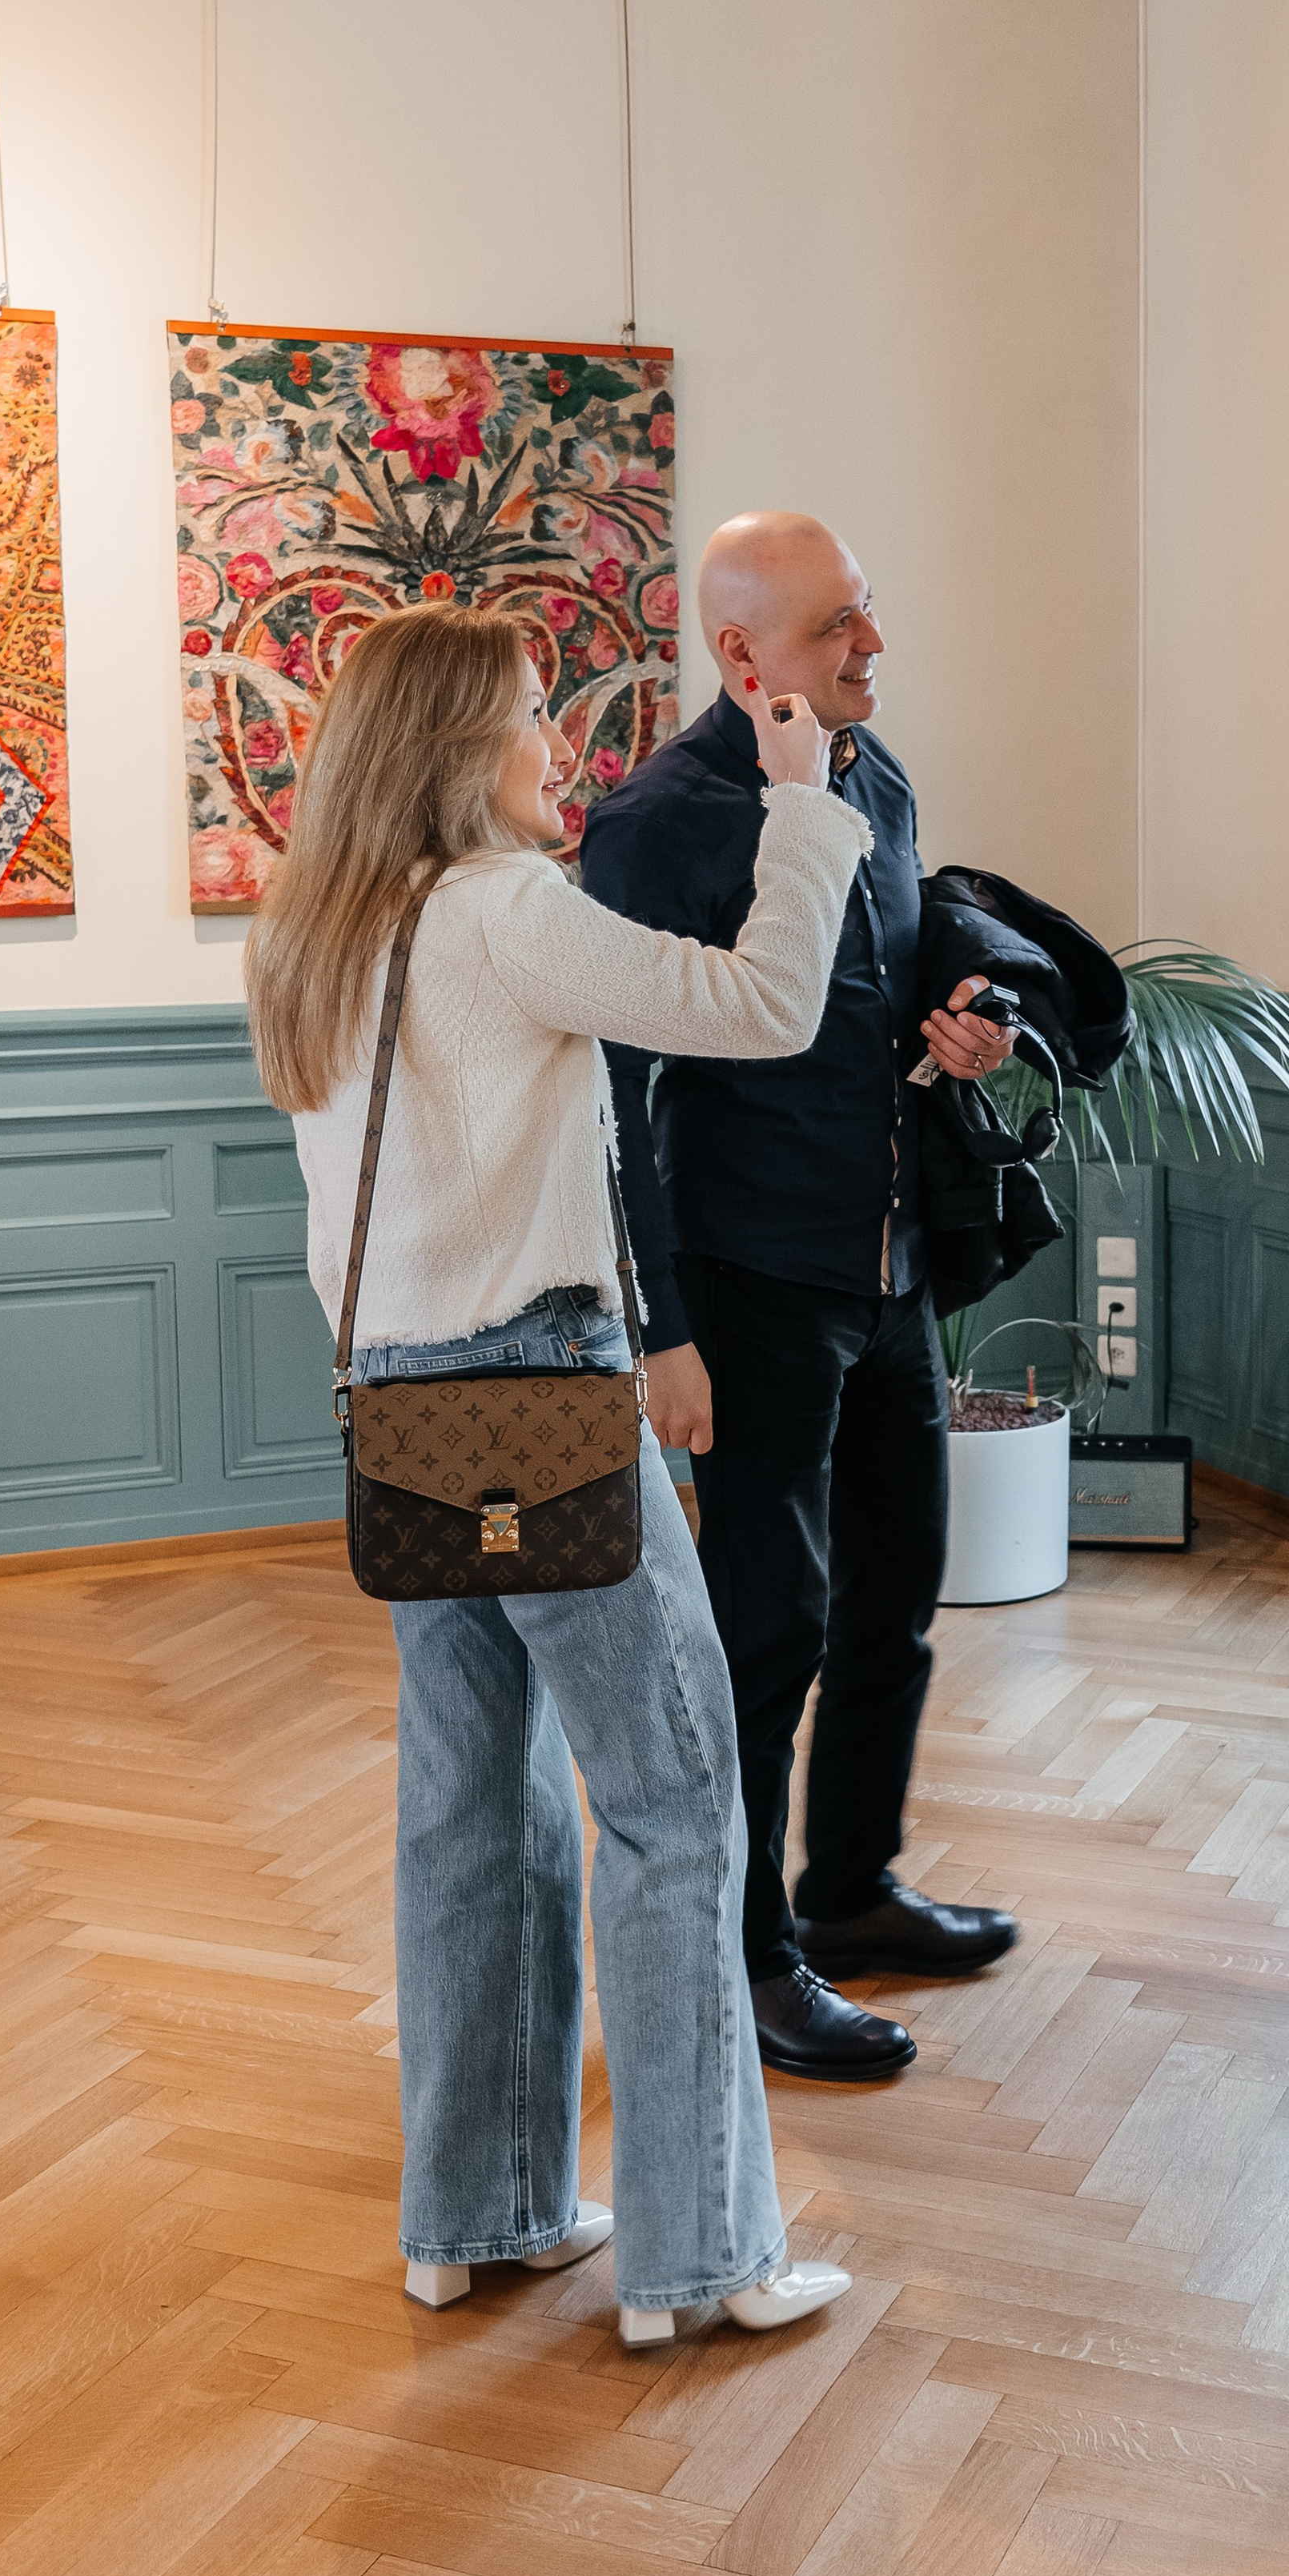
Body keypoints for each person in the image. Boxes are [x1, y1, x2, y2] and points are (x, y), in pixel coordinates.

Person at [246, 600, 873, 2346]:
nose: (560, 751)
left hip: (398, 1415)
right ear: (456, 751)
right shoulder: (500, 916)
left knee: (469, 1816)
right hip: (542, 1406)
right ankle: (701, 2260)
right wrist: (805, 807)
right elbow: (759, 1005)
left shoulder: (314, 933)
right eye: (530, 719)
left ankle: (480, 2212)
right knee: (675, 1807)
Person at [580, 513, 1020, 2085]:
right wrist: (659, 1329)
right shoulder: (653, 825)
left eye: (869, 616)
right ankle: (745, 1953)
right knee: (767, 1633)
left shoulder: (874, 779)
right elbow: (616, 1090)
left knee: (895, 1595)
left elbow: (880, 984)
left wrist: (960, 1013)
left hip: (889, 1267)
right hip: (748, 1287)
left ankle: (846, 1895)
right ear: (741, 654)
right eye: (838, 627)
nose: (871, 646)